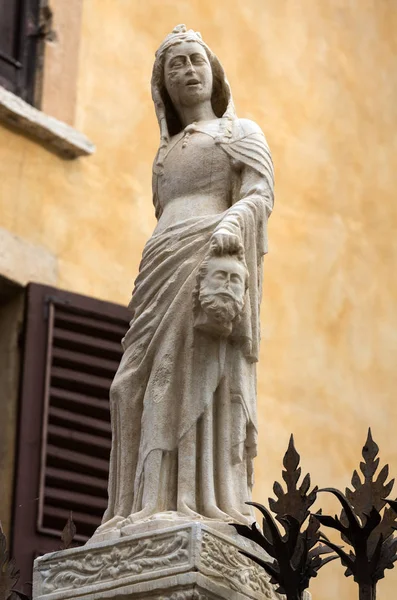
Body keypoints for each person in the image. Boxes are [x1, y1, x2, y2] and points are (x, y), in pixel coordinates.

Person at [93, 24, 274, 541]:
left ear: (214, 72)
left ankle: (189, 500)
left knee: (184, 372)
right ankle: (134, 505)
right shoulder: (166, 154)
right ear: (163, 86)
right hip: (159, 265)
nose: (188, 70)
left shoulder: (240, 133)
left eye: (196, 60)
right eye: (176, 65)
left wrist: (231, 224)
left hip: (206, 251)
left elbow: (260, 195)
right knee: (129, 384)